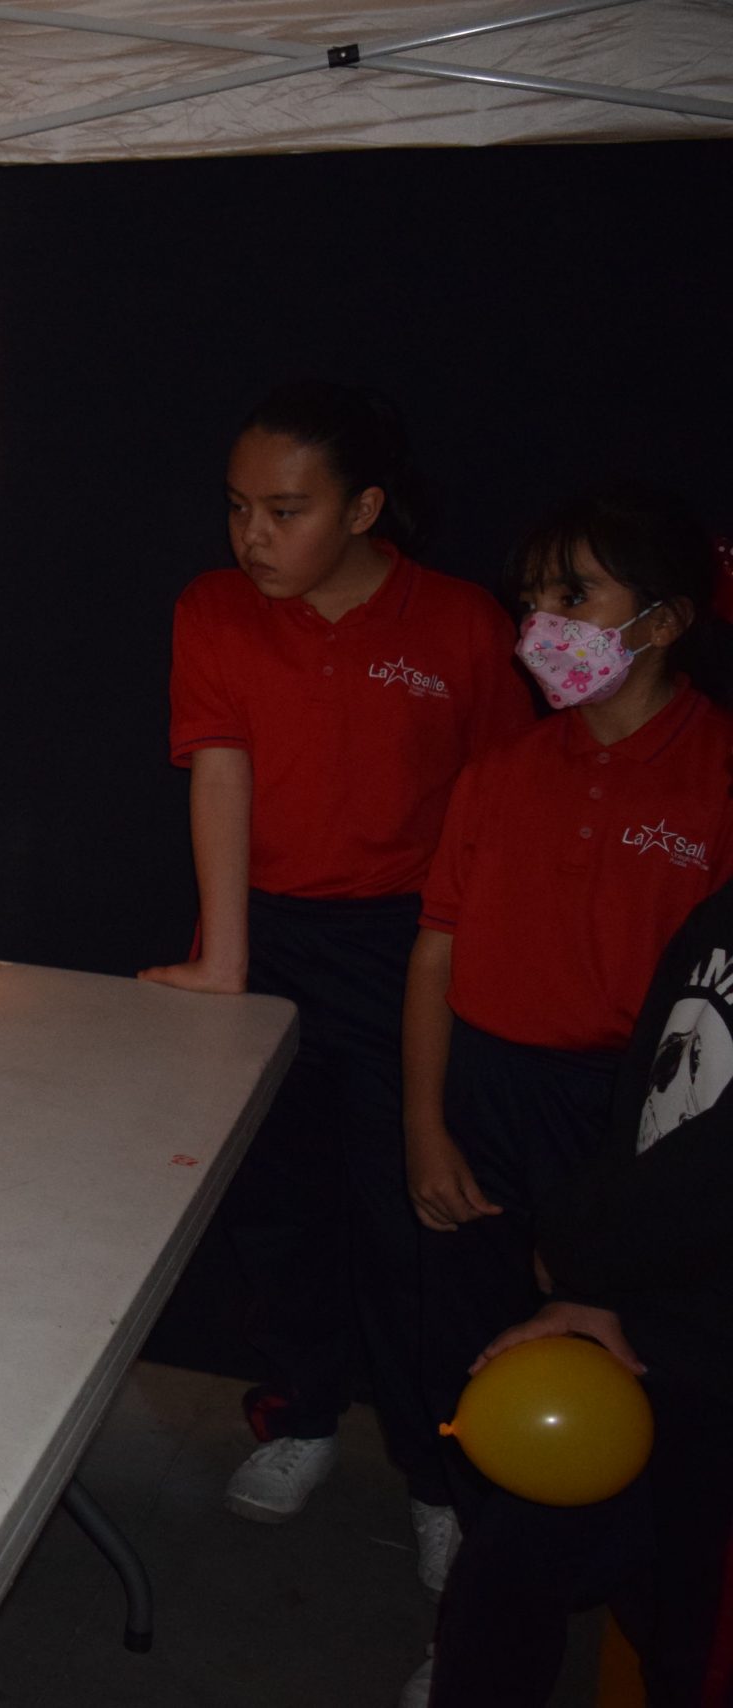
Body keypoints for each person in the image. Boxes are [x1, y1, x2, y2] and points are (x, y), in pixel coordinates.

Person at [139, 382, 533, 1579]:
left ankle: (437, 1473)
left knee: (411, 1225)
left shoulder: (459, 623)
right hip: (265, 932)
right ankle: (305, 1412)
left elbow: (502, 809)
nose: (250, 536)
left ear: (362, 509)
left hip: (408, 949)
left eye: (284, 510)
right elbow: (219, 772)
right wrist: (226, 958)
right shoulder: (214, 608)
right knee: (273, 1207)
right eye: (235, 507)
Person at [404, 482, 733, 1561]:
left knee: (606, 1351)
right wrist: (425, 1126)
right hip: (486, 1095)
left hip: (636, 1121)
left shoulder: (717, 776)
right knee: (468, 1326)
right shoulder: (501, 771)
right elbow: (437, 950)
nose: (541, 622)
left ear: (665, 620)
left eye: (574, 595)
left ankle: (587, 1567)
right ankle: (466, 1528)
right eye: (532, 597)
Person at [418, 874, 732, 1707]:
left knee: (692, 1645)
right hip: (639, 1313)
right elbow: (647, 1092)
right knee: (505, 1577)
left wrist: (580, 1249)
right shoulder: (723, 911)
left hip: (712, 1360)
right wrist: (594, 1285)